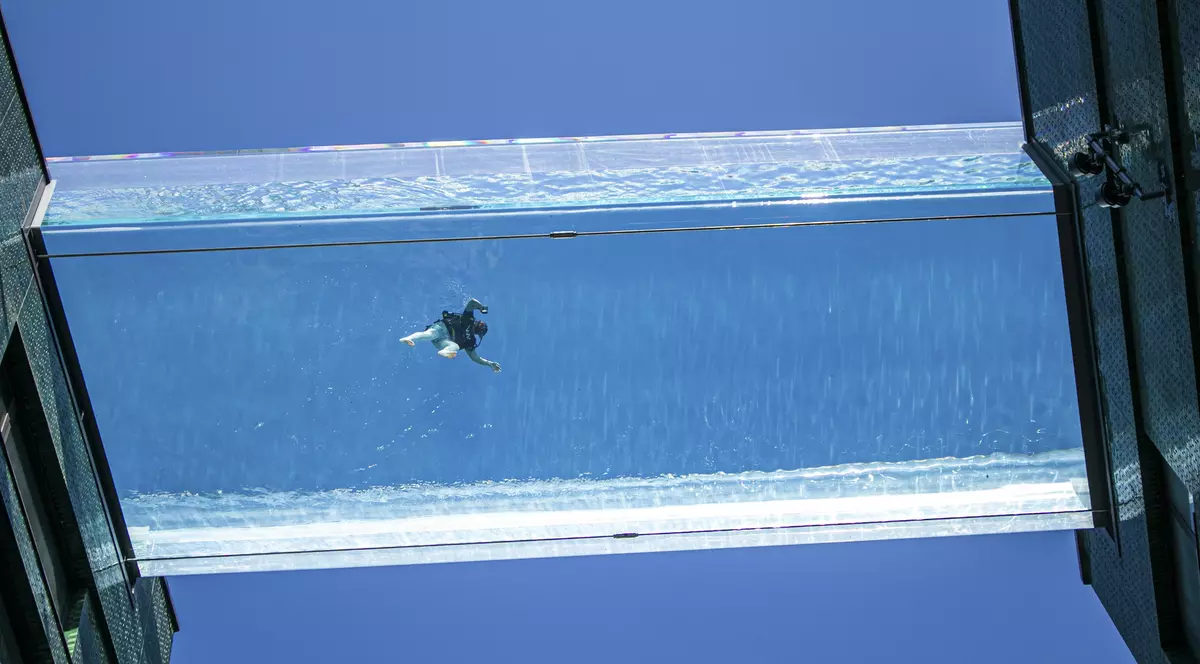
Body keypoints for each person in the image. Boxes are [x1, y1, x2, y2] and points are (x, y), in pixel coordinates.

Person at [401, 298, 501, 372]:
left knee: (454, 346)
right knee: (429, 334)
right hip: (441, 328)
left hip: (443, 341)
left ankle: (445, 351)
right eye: (482, 326)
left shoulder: (470, 341)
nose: (480, 327)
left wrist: (489, 364)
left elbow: (475, 358)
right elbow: (472, 302)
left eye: (482, 328)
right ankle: (409, 338)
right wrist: (481, 307)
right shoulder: (469, 319)